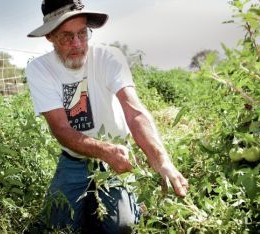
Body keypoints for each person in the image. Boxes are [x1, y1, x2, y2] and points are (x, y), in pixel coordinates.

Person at [26, 0, 189, 233]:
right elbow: (61, 128)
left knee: (122, 227)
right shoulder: (40, 69)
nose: (77, 44)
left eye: (83, 33)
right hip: (75, 159)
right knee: (56, 225)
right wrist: (103, 150)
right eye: (66, 37)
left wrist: (161, 161)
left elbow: (134, 111)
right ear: (50, 37)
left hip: (117, 158)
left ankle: (126, 202)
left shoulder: (108, 57)